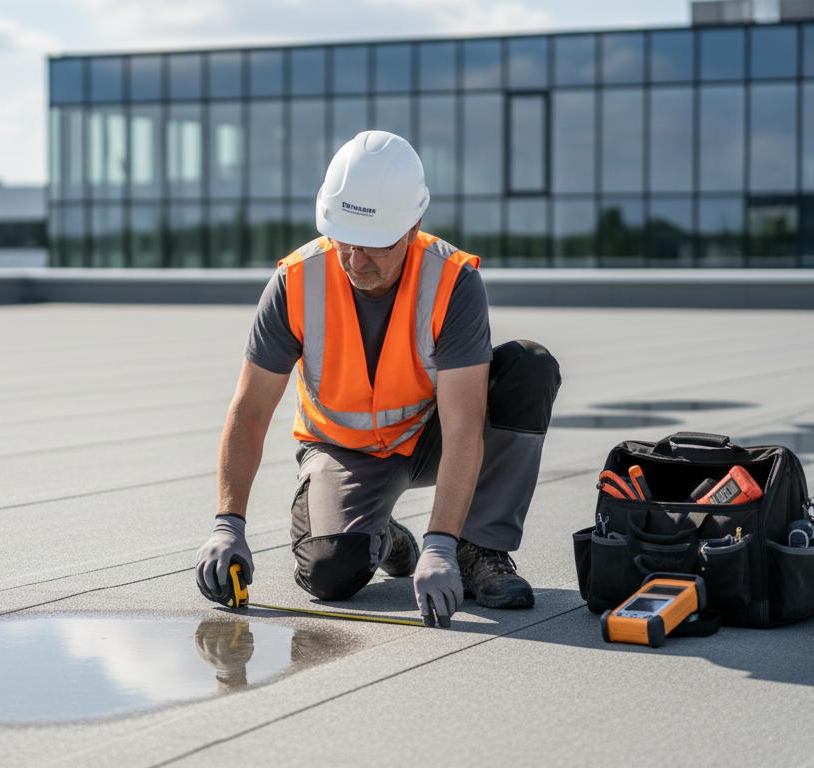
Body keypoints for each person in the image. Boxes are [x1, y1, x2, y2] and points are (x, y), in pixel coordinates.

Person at [195, 131, 561, 628]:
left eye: (373, 246)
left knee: (529, 366)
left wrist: (442, 544)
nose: (354, 260)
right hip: (342, 449)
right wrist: (228, 524)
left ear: (413, 227)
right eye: (344, 239)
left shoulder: (452, 282)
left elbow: (463, 425)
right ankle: (382, 535)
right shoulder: (296, 281)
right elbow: (251, 408)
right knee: (329, 575)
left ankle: (481, 549)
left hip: (427, 435)